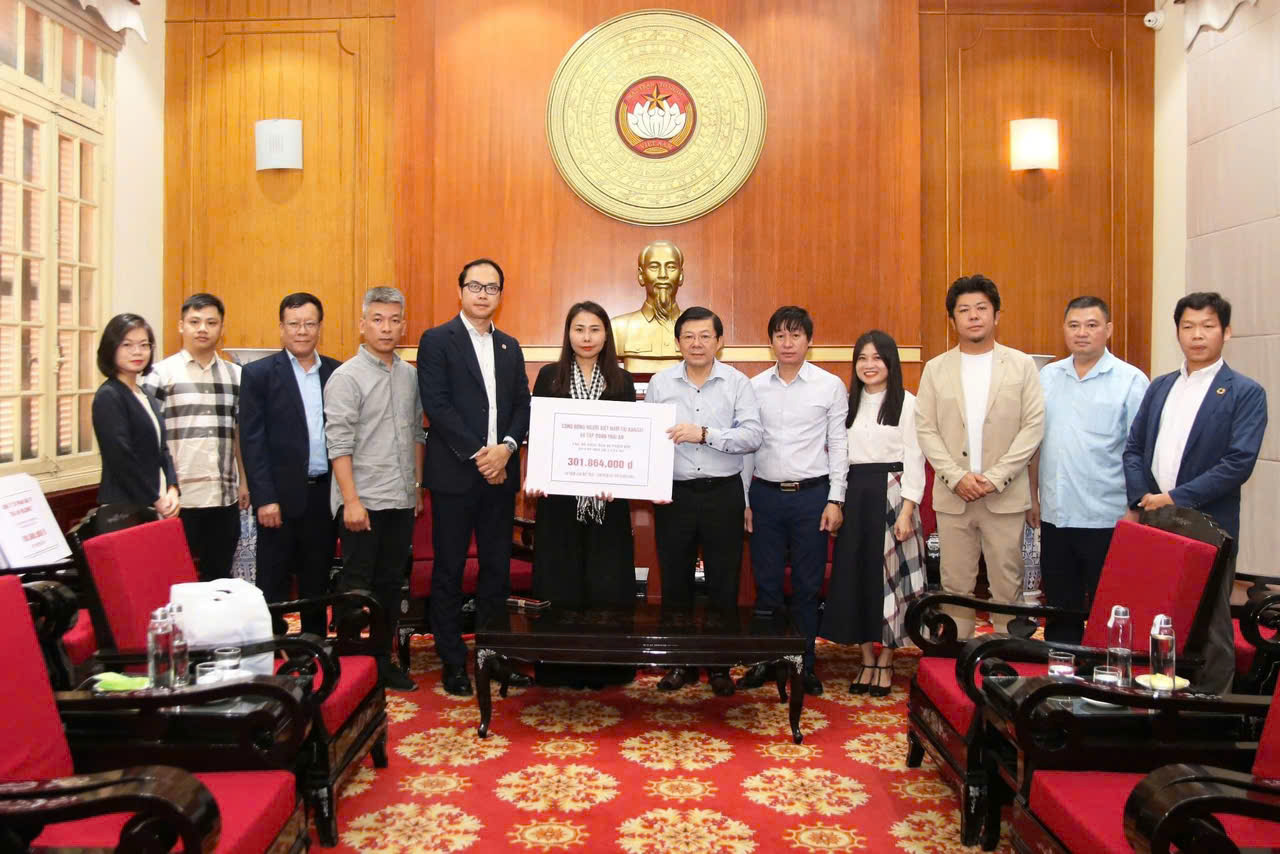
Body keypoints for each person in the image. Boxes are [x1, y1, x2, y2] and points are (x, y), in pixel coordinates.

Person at [1123, 292, 1268, 694]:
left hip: (1208, 523)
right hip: (1154, 518)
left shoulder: (1244, 392)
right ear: (1178, 333)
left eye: (1207, 326)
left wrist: (1174, 498)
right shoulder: (1160, 386)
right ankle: (1153, 696)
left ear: (1226, 332)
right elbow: (1134, 449)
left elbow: (1237, 463)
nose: (1197, 335)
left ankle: (1212, 706)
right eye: (1188, 326)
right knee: (1156, 611)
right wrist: (1142, 498)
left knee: (1211, 623)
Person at [417, 259, 532, 697]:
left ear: (501, 294)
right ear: (460, 291)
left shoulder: (509, 346)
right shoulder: (436, 340)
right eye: (475, 286)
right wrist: (481, 454)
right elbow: (437, 404)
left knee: (496, 569)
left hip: (501, 474)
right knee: (449, 569)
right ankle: (452, 661)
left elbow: (522, 404)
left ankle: (493, 656)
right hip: (456, 475)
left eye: (492, 287)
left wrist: (507, 447)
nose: (483, 294)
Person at [915, 275, 1044, 638]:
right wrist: (956, 476)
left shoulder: (1020, 365)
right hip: (954, 495)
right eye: (964, 310)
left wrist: (995, 477)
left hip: (1004, 494)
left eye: (981, 308)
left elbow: (1033, 427)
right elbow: (926, 429)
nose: (973, 316)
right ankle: (956, 657)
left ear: (996, 315)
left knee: (1007, 584)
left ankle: (1006, 656)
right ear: (952, 319)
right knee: (955, 586)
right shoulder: (936, 369)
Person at [646, 306, 763, 695]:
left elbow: (752, 436)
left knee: (723, 583)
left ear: (719, 341)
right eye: (689, 337)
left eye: (705, 336)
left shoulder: (737, 383)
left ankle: (719, 665)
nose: (697, 343)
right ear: (677, 342)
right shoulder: (660, 383)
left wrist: (706, 434)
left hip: (722, 493)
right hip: (674, 495)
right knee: (674, 581)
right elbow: (647, 439)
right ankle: (678, 664)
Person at [525, 301, 638, 689]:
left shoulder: (621, 381)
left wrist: (620, 478)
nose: (586, 337)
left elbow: (628, 441)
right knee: (562, 582)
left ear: (606, 335)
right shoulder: (549, 376)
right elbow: (539, 433)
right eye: (579, 329)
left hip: (608, 502)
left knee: (607, 584)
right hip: (559, 500)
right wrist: (538, 473)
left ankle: (607, 668)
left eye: (594, 329)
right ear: (568, 334)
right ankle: (560, 667)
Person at [737, 306, 847, 697]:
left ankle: (805, 665)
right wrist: (745, 500)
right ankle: (763, 661)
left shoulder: (830, 386)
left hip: (812, 497)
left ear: (809, 341)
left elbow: (839, 444)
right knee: (766, 585)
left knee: (806, 587)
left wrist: (836, 499)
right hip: (765, 496)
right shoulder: (753, 387)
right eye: (780, 336)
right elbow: (747, 447)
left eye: (795, 335)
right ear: (770, 342)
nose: (788, 343)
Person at [1028, 296, 1148, 644]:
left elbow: (1140, 453)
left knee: (1107, 609)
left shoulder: (1130, 381)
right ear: (1064, 329)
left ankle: (1104, 675)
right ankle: (1062, 671)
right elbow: (1036, 444)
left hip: (1107, 518)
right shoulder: (1048, 377)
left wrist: (1134, 510)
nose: (1082, 333)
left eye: (1091, 325)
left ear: (1108, 330)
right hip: (1056, 515)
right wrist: (1033, 497)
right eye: (1074, 325)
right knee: (1060, 607)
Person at [324, 286, 424, 692]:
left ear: (404, 325)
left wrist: (417, 488)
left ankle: (382, 661)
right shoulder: (346, 377)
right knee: (356, 586)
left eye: (394, 320)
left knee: (390, 584)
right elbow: (338, 444)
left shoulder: (410, 375)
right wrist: (350, 501)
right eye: (377, 320)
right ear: (362, 324)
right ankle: (351, 666)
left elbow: (417, 434)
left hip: (399, 497)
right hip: (361, 501)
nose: (386, 328)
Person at [824, 330, 927, 695]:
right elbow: (838, 455)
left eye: (877, 358)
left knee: (891, 580)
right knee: (858, 577)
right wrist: (837, 502)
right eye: (862, 358)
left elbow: (915, 458)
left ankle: (887, 660)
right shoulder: (846, 404)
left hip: (893, 495)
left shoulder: (908, 403)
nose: (869, 365)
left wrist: (907, 511)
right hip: (855, 494)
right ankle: (867, 657)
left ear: (890, 362)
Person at [240, 293, 342, 637]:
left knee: (317, 580)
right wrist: (264, 498)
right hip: (278, 500)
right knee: (273, 580)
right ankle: (272, 648)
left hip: (324, 496)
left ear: (320, 328)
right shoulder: (258, 375)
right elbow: (252, 441)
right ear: (282, 328)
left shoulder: (336, 372)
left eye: (309, 323)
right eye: (294, 324)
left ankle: (315, 646)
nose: (302, 331)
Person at [144, 293, 249, 580]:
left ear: (221, 328)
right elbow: (149, 440)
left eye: (211, 322)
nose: (203, 329)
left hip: (223, 497)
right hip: (179, 500)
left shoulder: (236, 376)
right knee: (175, 580)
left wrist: (244, 480)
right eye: (194, 322)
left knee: (219, 579)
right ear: (181, 326)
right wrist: (161, 489)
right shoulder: (159, 375)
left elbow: (239, 432)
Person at [92, 314, 180, 517]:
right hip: (126, 507)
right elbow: (121, 459)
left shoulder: (144, 394)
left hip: (158, 501)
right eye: (127, 345)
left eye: (144, 345)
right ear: (111, 348)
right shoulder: (109, 395)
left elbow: (162, 449)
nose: (137, 352)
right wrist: (155, 498)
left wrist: (172, 487)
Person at [611, 240, 685, 372]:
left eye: (671, 267)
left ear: (681, 276)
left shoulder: (698, 329)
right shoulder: (617, 328)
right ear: (641, 276)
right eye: (654, 267)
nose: (663, 275)